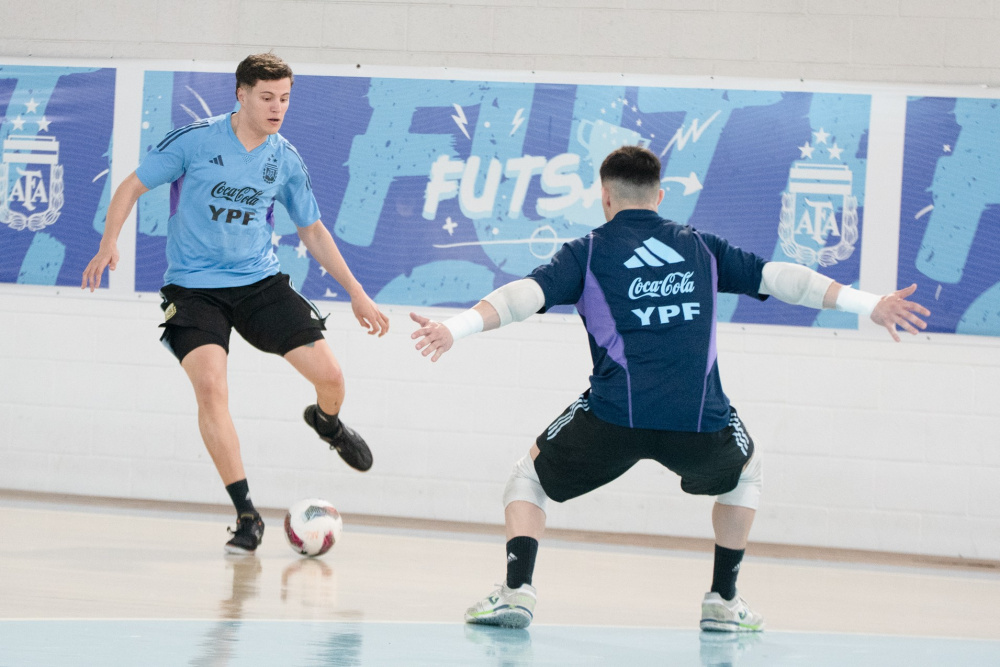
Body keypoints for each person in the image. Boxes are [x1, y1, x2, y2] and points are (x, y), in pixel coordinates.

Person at [409, 145, 929, 632]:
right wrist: (870, 304)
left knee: (528, 478)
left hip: (612, 417)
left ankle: (516, 592)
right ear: (659, 196)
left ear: (605, 196)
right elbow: (784, 279)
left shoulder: (586, 253)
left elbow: (522, 296)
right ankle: (723, 601)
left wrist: (454, 329)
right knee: (747, 472)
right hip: (698, 421)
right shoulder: (701, 247)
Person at [82, 52, 389, 555]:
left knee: (332, 377)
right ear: (241, 95)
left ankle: (327, 424)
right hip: (194, 288)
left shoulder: (284, 159)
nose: (277, 108)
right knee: (210, 388)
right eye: (267, 97)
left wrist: (357, 292)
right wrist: (108, 242)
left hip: (258, 283)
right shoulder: (196, 141)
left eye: (284, 98)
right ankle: (247, 514)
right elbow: (133, 185)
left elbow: (312, 229)